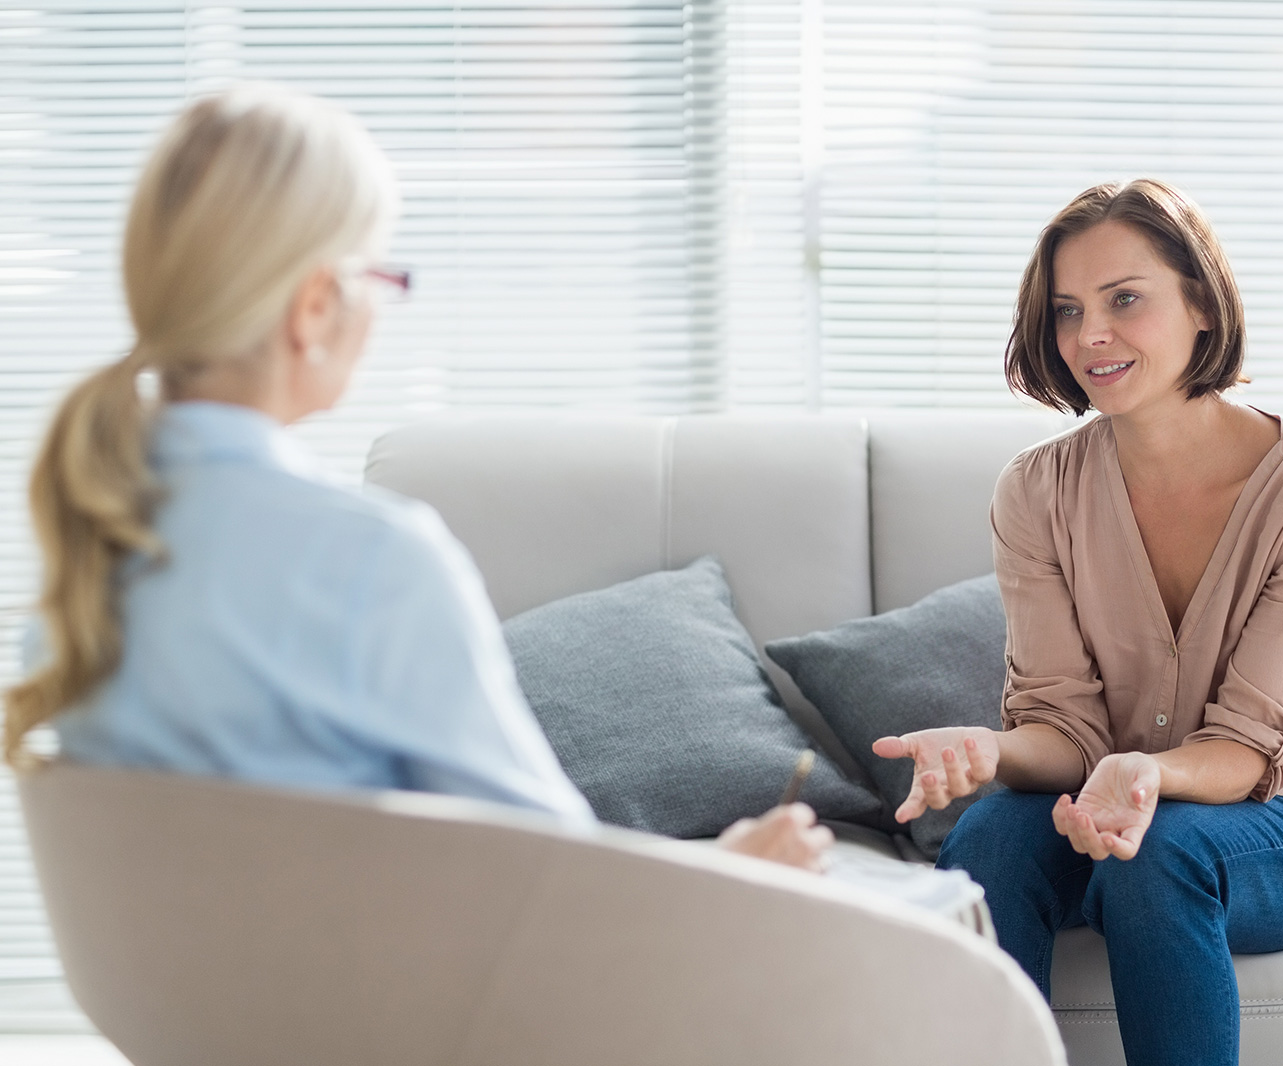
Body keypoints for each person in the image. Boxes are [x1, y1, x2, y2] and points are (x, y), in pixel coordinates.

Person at [2, 84, 831, 873]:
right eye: (377, 277)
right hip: (389, 1019)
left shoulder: (87, 562)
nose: (380, 309)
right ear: (315, 307)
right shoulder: (370, 562)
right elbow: (551, 886)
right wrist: (731, 873)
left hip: (188, 1020)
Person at [872, 179, 1283, 1066]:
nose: (1090, 337)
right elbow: (1064, 729)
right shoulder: (1035, 492)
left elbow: (1243, 751)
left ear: (1201, 301)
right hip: (1117, 808)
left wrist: (1141, 776)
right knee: (990, 836)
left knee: (1159, 852)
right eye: (1067, 310)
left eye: (1125, 300)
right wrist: (991, 751)